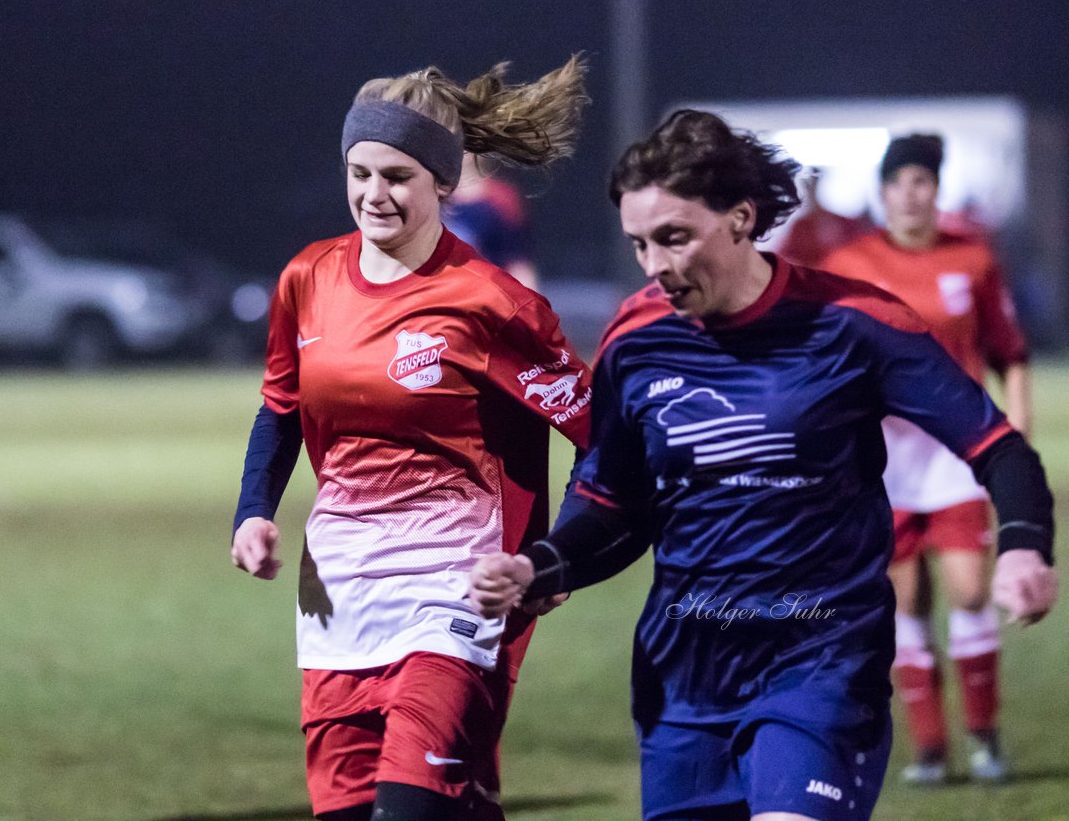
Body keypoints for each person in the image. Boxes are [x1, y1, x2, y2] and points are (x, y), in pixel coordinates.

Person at [468, 110, 1057, 821]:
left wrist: (1024, 547)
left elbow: (998, 447)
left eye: (675, 237)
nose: (657, 266)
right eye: (640, 244)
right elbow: (613, 502)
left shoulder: (855, 321)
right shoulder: (635, 341)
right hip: (684, 674)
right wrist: (544, 566)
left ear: (742, 218)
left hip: (822, 661)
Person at [231, 57, 592, 821]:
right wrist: (253, 512)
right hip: (336, 592)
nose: (373, 194)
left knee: (414, 809)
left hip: (453, 588)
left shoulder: (492, 303)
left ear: (444, 184)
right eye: (358, 172)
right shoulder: (307, 279)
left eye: (396, 175)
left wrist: (560, 551)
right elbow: (281, 408)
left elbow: (600, 431)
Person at [820, 134, 1031, 784]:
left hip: (956, 453)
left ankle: (986, 736)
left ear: (937, 191)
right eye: (899, 183)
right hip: (882, 459)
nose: (911, 195)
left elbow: (1009, 350)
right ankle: (932, 749)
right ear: (881, 193)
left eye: (922, 182)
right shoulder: (850, 262)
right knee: (904, 601)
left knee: (970, 587)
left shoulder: (972, 259)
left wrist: (1014, 434)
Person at [444, 155, 539, 289]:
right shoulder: (427, 196)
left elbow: (518, 261)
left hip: (487, 296)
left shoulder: (501, 199)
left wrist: (532, 305)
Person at [774, 168, 872, 269]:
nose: (811, 189)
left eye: (814, 184)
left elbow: (863, 250)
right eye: (807, 186)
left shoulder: (845, 223)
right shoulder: (801, 226)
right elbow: (785, 255)